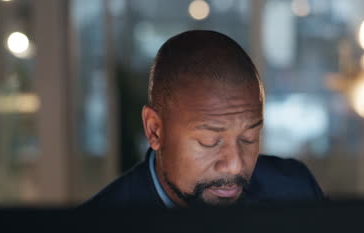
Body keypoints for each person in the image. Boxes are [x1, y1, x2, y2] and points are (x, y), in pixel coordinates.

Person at [82, 30, 323, 208]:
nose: (235, 165)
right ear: (155, 130)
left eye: (249, 138)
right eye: (210, 141)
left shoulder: (295, 191)